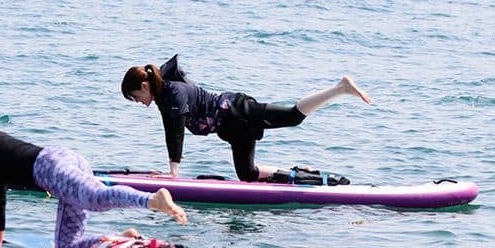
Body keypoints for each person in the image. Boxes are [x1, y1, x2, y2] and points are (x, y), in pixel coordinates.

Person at [0, 95, 187, 248]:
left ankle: (153, 199)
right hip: (61, 159)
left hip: (50, 168)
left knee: (95, 197)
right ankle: (120, 238)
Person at [121, 55, 371, 182]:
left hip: (239, 112)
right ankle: (301, 176)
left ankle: (340, 88)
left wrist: (172, 173)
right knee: (248, 175)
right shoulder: (165, 95)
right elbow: (170, 129)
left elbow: (175, 132)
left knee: (293, 116)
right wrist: (171, 170)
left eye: (136, 96)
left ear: (145, 85)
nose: (138, 102)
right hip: (232, 128)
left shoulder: (172, 94)